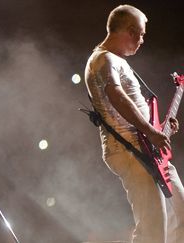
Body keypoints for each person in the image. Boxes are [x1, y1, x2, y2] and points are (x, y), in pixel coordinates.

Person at [84, 5, 184, 243]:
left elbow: (132, 103)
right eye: (140, 34)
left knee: (179, 215)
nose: (141, 41)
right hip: (129, 149)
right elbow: (117, 97)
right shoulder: (103, 59)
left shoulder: (115, 60)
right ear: (129, 30)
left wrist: (158, 126)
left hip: (146, 148)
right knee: (152, 228)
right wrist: (151, 131)